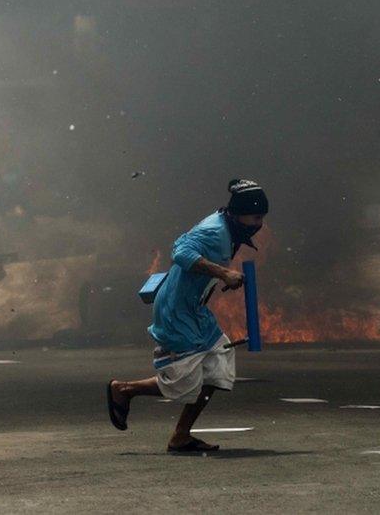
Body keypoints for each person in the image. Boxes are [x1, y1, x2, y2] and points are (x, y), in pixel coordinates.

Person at [107, 179, 269, 453]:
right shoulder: (213, 230)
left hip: (196, 311)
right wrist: (223, 273)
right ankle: (123, 389)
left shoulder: (229, 227)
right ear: (239, 213)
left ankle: (181, 435)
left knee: (216, 369)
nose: (259, 223)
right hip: (176, 312)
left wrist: (218, 279)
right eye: (256, 217)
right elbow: (179, 252)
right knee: (185, 382)